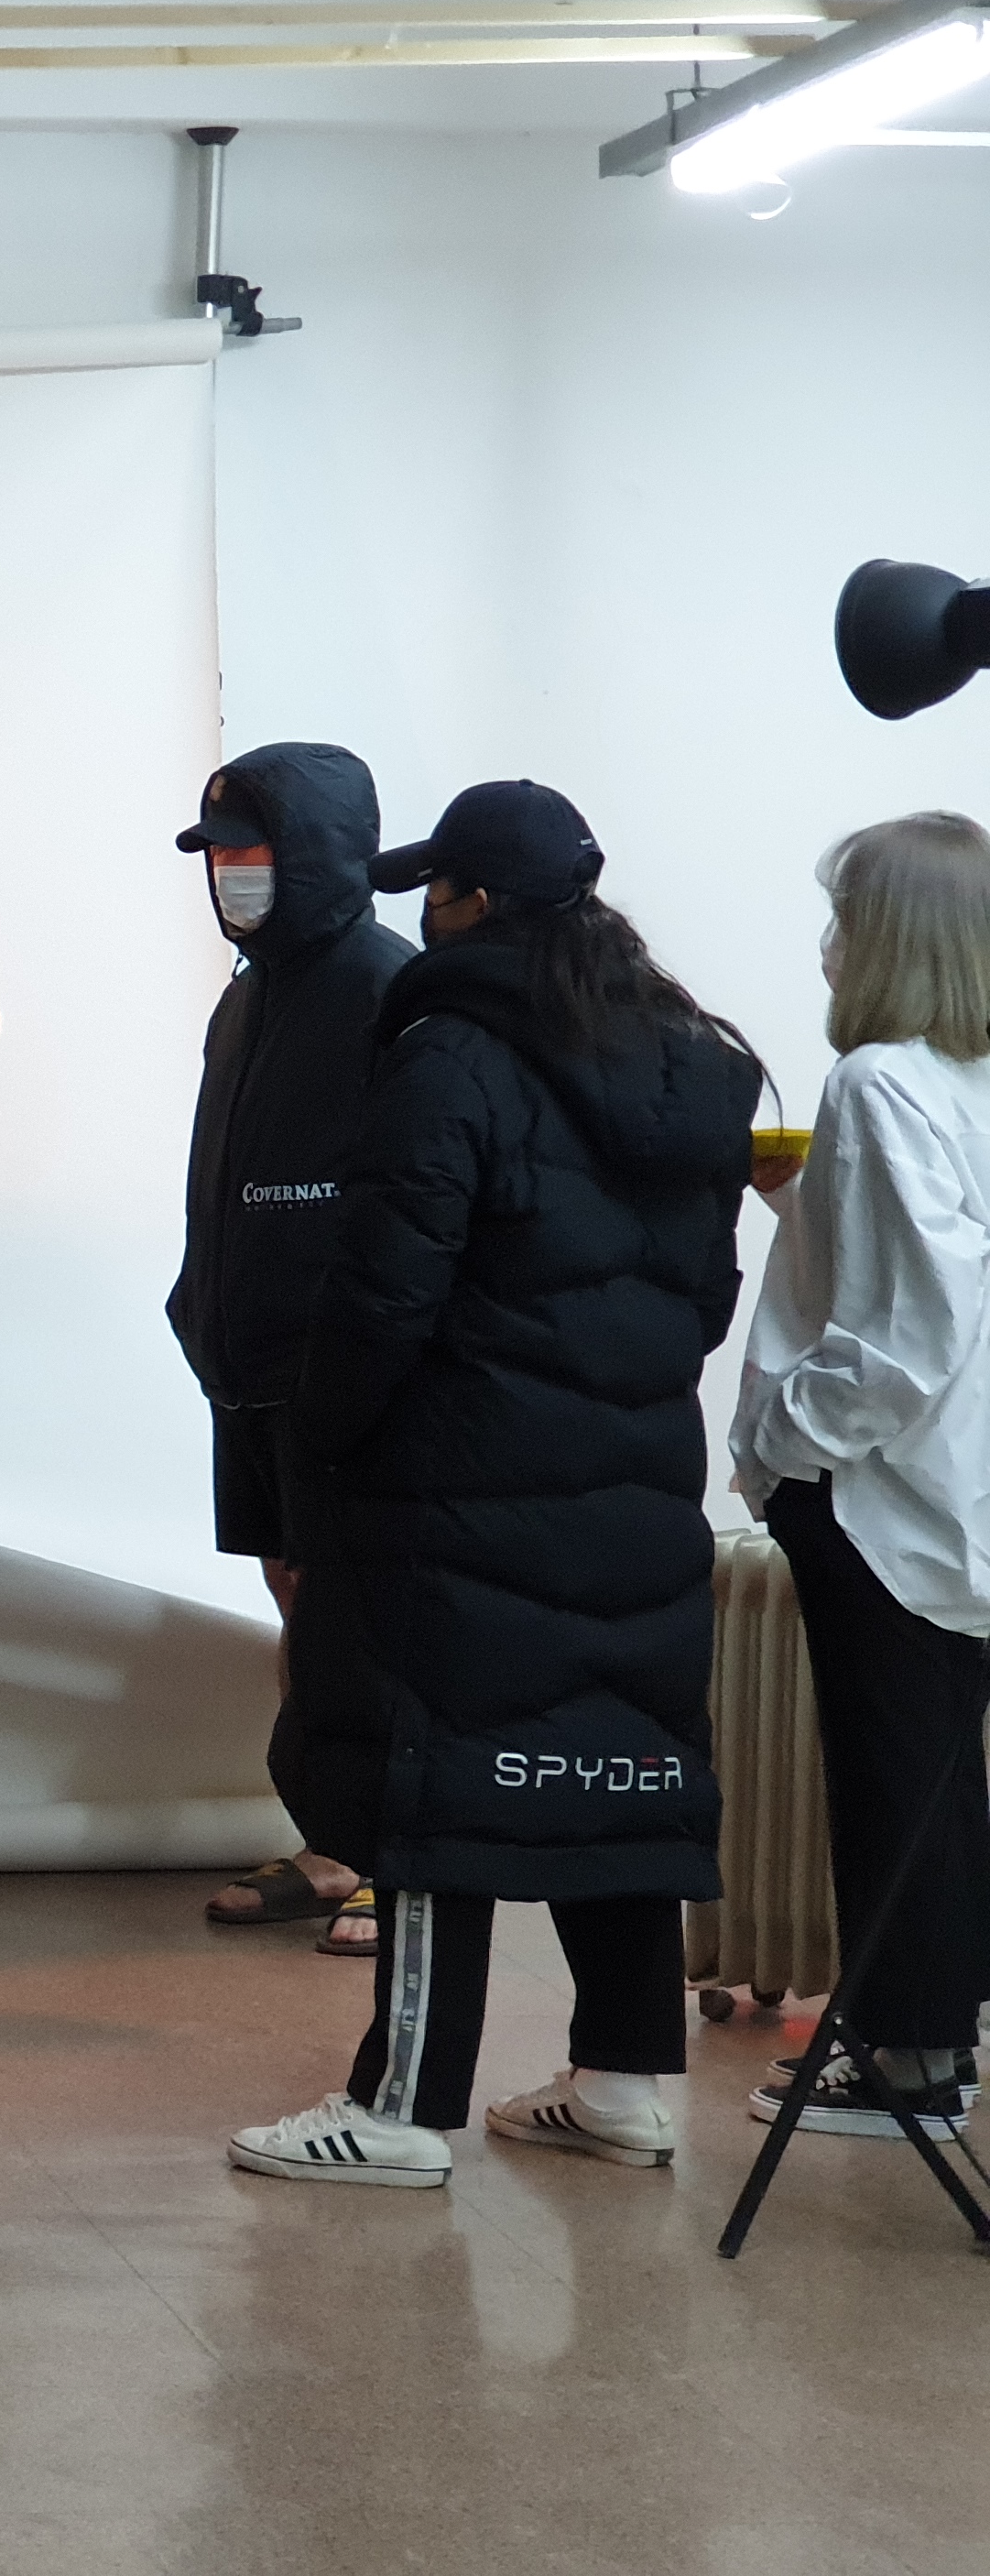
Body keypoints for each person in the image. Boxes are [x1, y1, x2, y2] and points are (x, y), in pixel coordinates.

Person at [231, 781, 756, 2189]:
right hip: (634, 1479)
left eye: (436, 891)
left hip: (455, 1482)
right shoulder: (694, 1063)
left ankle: (398, 2108)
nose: (424, 914)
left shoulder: (450, 1054)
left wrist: (320, 1438)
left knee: (434, 1778)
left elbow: (385, 1288)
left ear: (471, 902)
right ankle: (626, 2085)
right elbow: (708, 1297)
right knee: (619, 1765)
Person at [732, 812, 990, 2139]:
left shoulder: (880, 1082)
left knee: (895, 1779)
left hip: (881, 1494)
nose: (829, 946)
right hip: (958, 1496)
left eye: (845, 919)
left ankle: (910, 2066)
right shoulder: (964, 1081)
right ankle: (930, 2050)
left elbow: (907, 1335)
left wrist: (779, 1445)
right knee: (940, 1778)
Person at [167, 745, 415, 1960]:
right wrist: (198, 1307)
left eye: (250, 850)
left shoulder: (389, 986)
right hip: (247, 1360)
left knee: (363, 1614)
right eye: (218, 853)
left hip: (340, 1369)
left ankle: (397, 1852)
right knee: (294, 1596)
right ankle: (333, 1838)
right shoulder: (247, 995)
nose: (229, 873)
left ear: (313, 854)